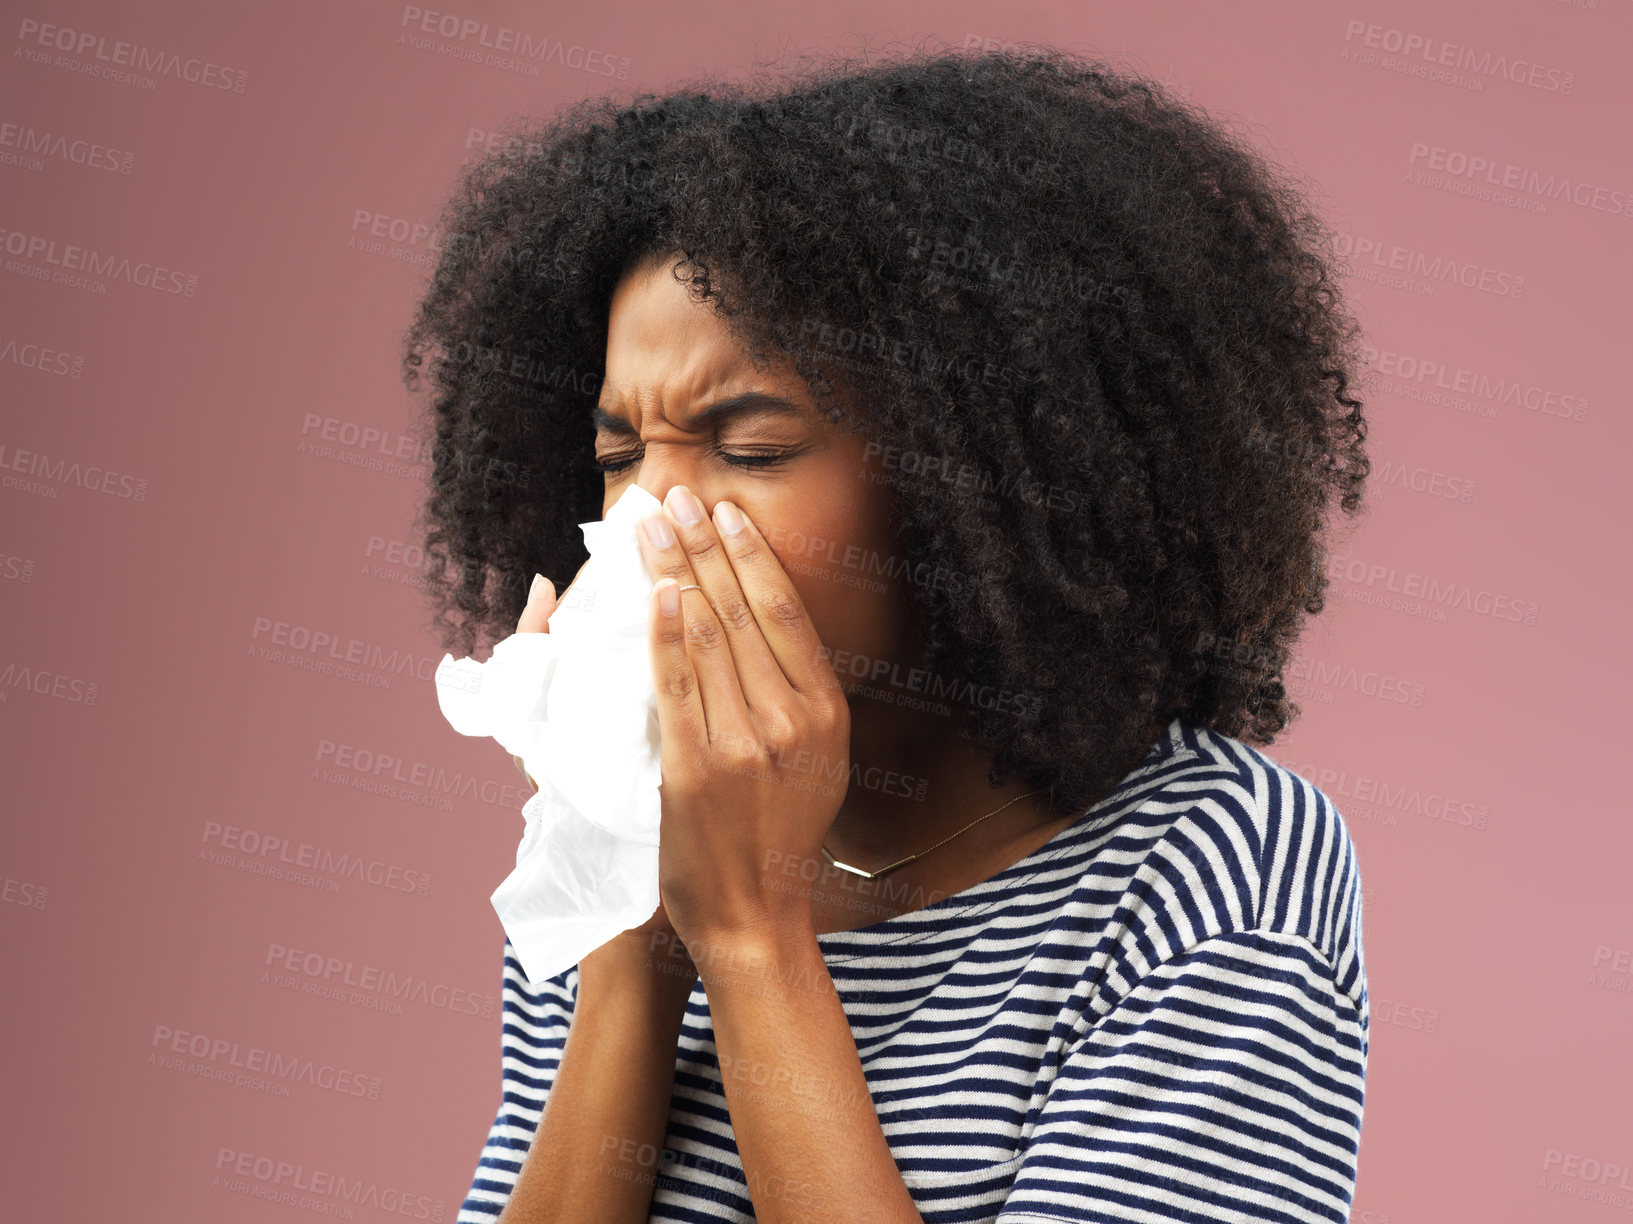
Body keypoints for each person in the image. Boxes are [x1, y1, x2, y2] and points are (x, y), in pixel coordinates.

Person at [401, 42, 1373, 1224]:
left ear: (977, 477)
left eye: (748, 449)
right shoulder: (613, 826)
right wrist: (629, 942)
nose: (648, 522)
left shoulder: (1210, 869)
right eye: (616, 456)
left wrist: (753, 935)